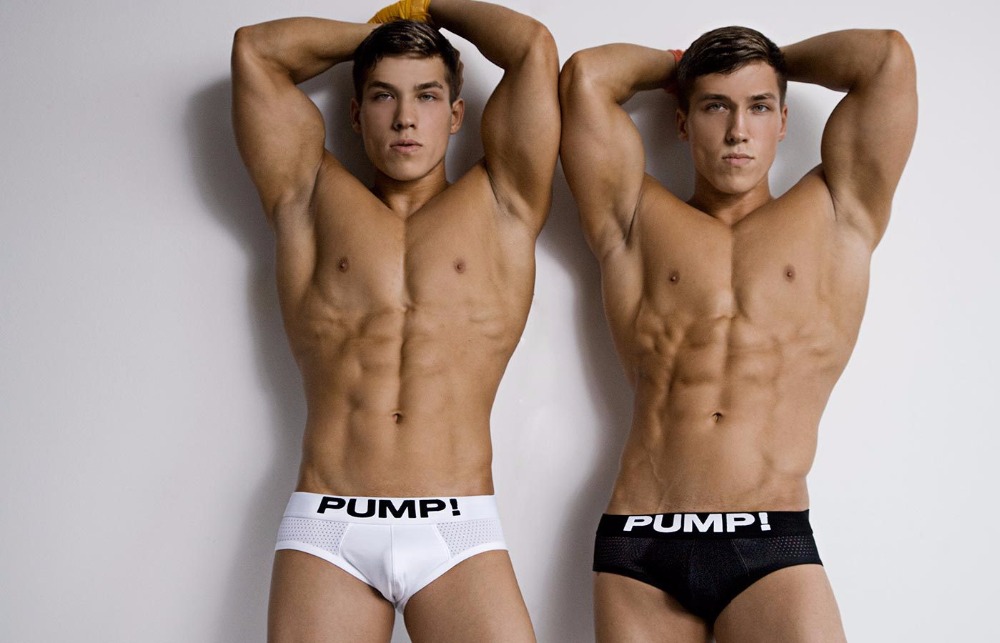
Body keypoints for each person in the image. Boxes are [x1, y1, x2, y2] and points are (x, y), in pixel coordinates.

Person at [559, 26, 916, 641]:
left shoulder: (839, 211)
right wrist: (680, 64)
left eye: (759, 107)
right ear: (682, 122)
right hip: (641, 542)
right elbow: (586, 78)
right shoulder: (635, 217)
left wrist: (769, 61)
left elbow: (886, 58)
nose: (737, 130)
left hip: (770, 541)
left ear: (783, 121)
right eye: (715, 107)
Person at [230, 0, 558, 639]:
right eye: (384, 96)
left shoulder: (505, 201)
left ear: (456, 114)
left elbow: (532, 49)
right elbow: (255, 53)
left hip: (456, 527)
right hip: (331, 526)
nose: (406, 118)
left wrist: (428, 10)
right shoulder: (309, 196)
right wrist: (376, 33)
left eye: (427, 96)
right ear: (356, 114)